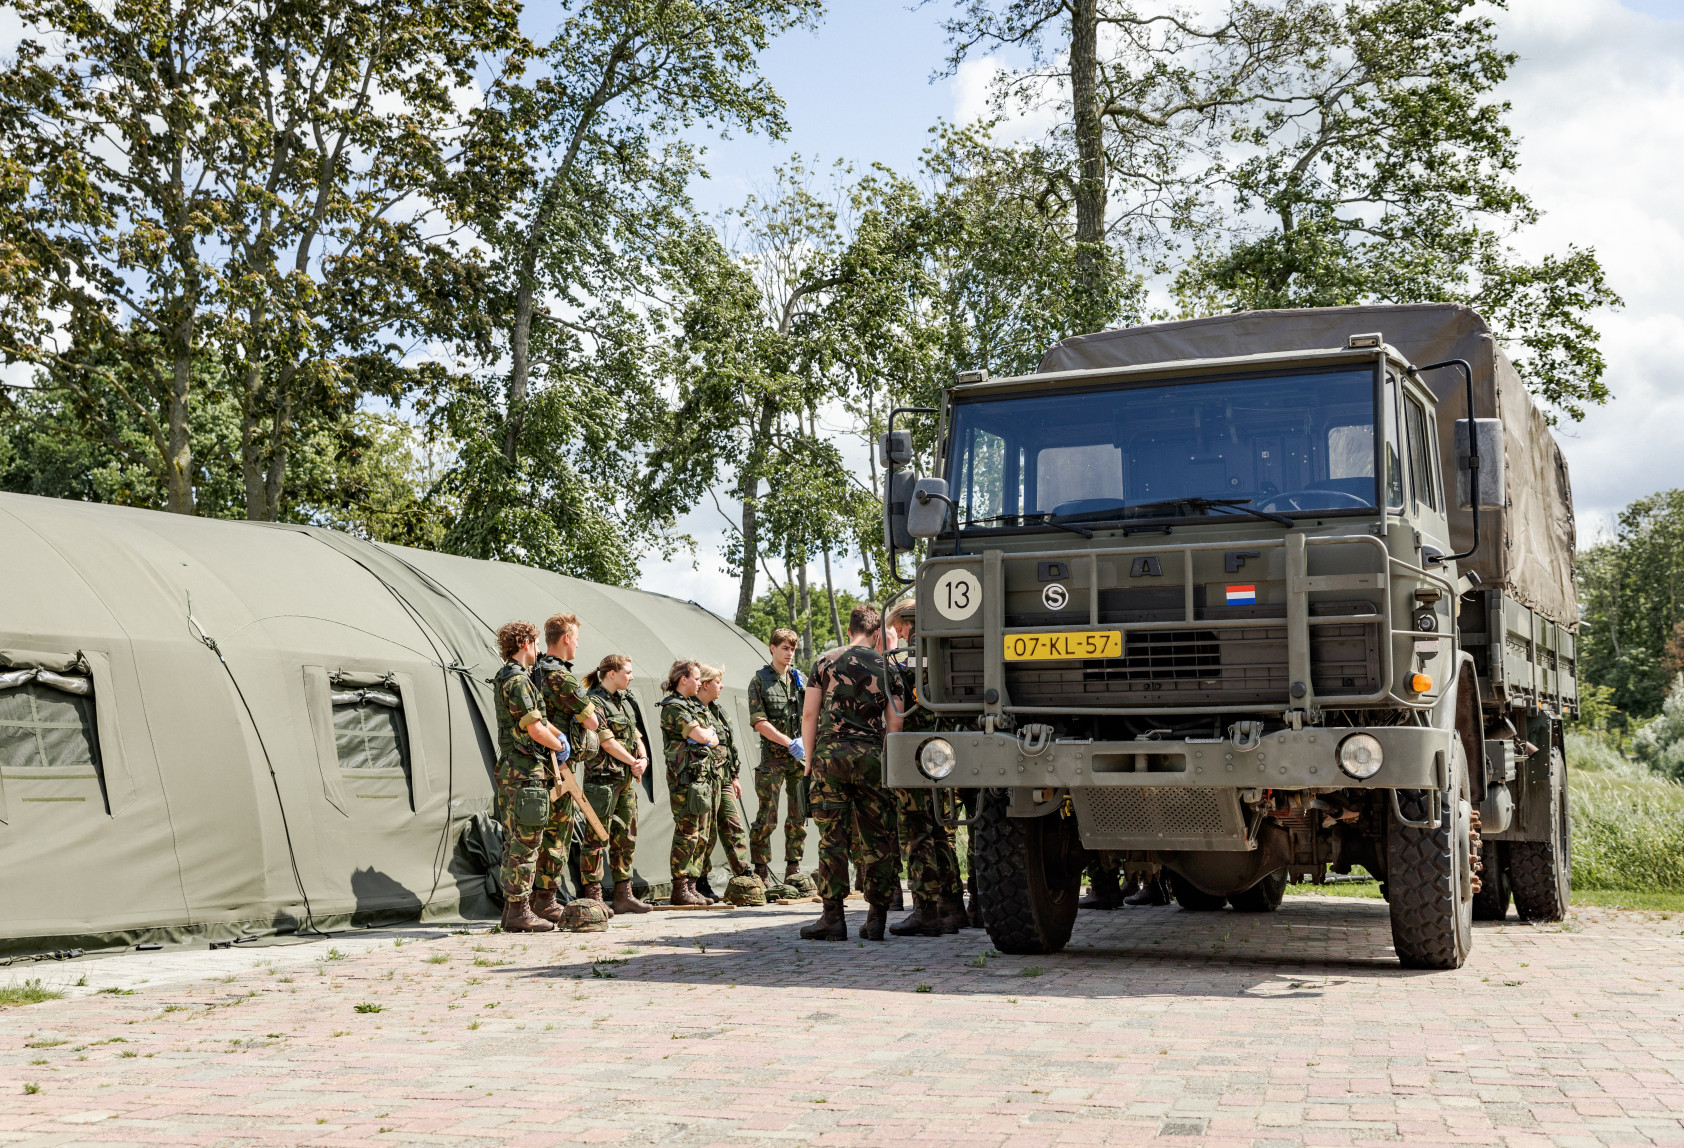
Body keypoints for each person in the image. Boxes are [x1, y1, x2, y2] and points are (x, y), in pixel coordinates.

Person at [799, 603, 905, 943]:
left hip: (829, 757)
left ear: (848, 631)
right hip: (873, 757)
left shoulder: (824, 661)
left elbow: (809, 717)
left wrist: (809, 762)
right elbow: (896, 723)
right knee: (879, 838)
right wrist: (884, 759)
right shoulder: (888, 667)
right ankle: (876, 919)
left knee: (832, 836)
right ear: (877, 636)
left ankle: (832, 918)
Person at [883, 601, 967, 936]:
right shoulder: (946, 648)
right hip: (944, 755)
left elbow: (909, 703)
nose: (901, 637)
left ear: (910, 624)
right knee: (940, 833)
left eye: (901, 630)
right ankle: (952, 906)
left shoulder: (918, 654)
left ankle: (925, 911)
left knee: (917, 833)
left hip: (920, 755)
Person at [491, 620, 572, 932]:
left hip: (517, 771)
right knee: (526, 843)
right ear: (525, 643)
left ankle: (515, 911)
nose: (538, 651)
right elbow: (535, 728)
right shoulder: (519, 681)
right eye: (536, 644)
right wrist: (558, 745)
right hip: (525, 773)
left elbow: (541, 720)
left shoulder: (512, 678)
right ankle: (518, 912)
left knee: (517, 841)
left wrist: (558, 735)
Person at [531, 613, 601, 919]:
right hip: (558, 767)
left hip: (532, 762)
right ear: (567, 639)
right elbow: (592, 721)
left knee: (532, 831)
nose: (576, 646)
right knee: (558, 832)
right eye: (576, 639)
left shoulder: (530, 671)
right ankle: (545, 900)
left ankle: (527, 899)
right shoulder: (562, 676)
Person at [583, 654, 652, 914]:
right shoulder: (593, 701)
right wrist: (634, 762)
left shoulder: (624, 702)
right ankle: (594, 894)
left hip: (624, 780)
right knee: (596, 838)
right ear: (612, 673)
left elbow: (636, 734)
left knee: (626, 837)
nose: (632, 677)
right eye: (628, 672)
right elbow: (605, 740)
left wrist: (643, 758)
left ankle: (624, 894)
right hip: (601, 781)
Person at [747, 629, 806, 884]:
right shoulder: (760, 681)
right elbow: (759, 721)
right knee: (767, 816)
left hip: (798, 760)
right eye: (785, 648)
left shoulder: (799, 680)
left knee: (798, 816)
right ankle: (761, 870)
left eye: (792, 649)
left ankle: (794, 867)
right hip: (773, 760)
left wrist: (805, 743)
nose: (789, 653)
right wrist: (788, 742)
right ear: (772, 648)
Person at [659, 660, 720, 906]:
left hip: (699, 779)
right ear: (683, 679)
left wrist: (706, 737)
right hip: (684, 780)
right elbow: (704, 735)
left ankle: (692, 886)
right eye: (696, 678)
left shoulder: (691, 707)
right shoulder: (674, 707)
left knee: (700, 834)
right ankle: (680, 887)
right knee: (686, 833)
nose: (699, 682)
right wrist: (705, 736)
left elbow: (711, 738)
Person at [698, 664, 754, 891]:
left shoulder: (718, 712)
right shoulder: (693, 711)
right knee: (706, 831)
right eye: (717, 682)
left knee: (733, 826)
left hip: (724, 778)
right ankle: (700, 878)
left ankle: (744, 875)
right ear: (705, 684)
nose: (721, 686)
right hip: (705, 780)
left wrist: (735, 776)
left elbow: (730, 747)